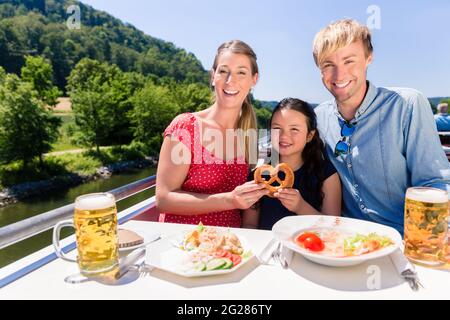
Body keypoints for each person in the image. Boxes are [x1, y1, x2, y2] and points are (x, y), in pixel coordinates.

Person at [312, 19, 450, 234]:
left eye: (349, 61)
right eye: (328, 65)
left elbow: (434, 183)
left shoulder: (407, 105)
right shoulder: (318, 118)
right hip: (345, 242)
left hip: (404, 240)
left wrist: (426, 240)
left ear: (369, 58)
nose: (339, 75)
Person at [155, 40, 269, 227]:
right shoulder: (186, 127)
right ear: (213, 76)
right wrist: (230, 200)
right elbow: (164, 200)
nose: (230, 81)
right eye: (223, 71)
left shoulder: (251, 137)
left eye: (241, 72)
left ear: (253, 79)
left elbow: (253, 206)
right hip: (182, 244)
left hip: (230, 248)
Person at [242, 98, 341, 230]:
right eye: (277, 128)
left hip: (309, 248)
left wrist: (300, 207)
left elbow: (333, 228)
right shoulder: (259, 174)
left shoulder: (326, 175)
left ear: (309, 135)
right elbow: (249, 224)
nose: (284, 136)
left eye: (294, 129)